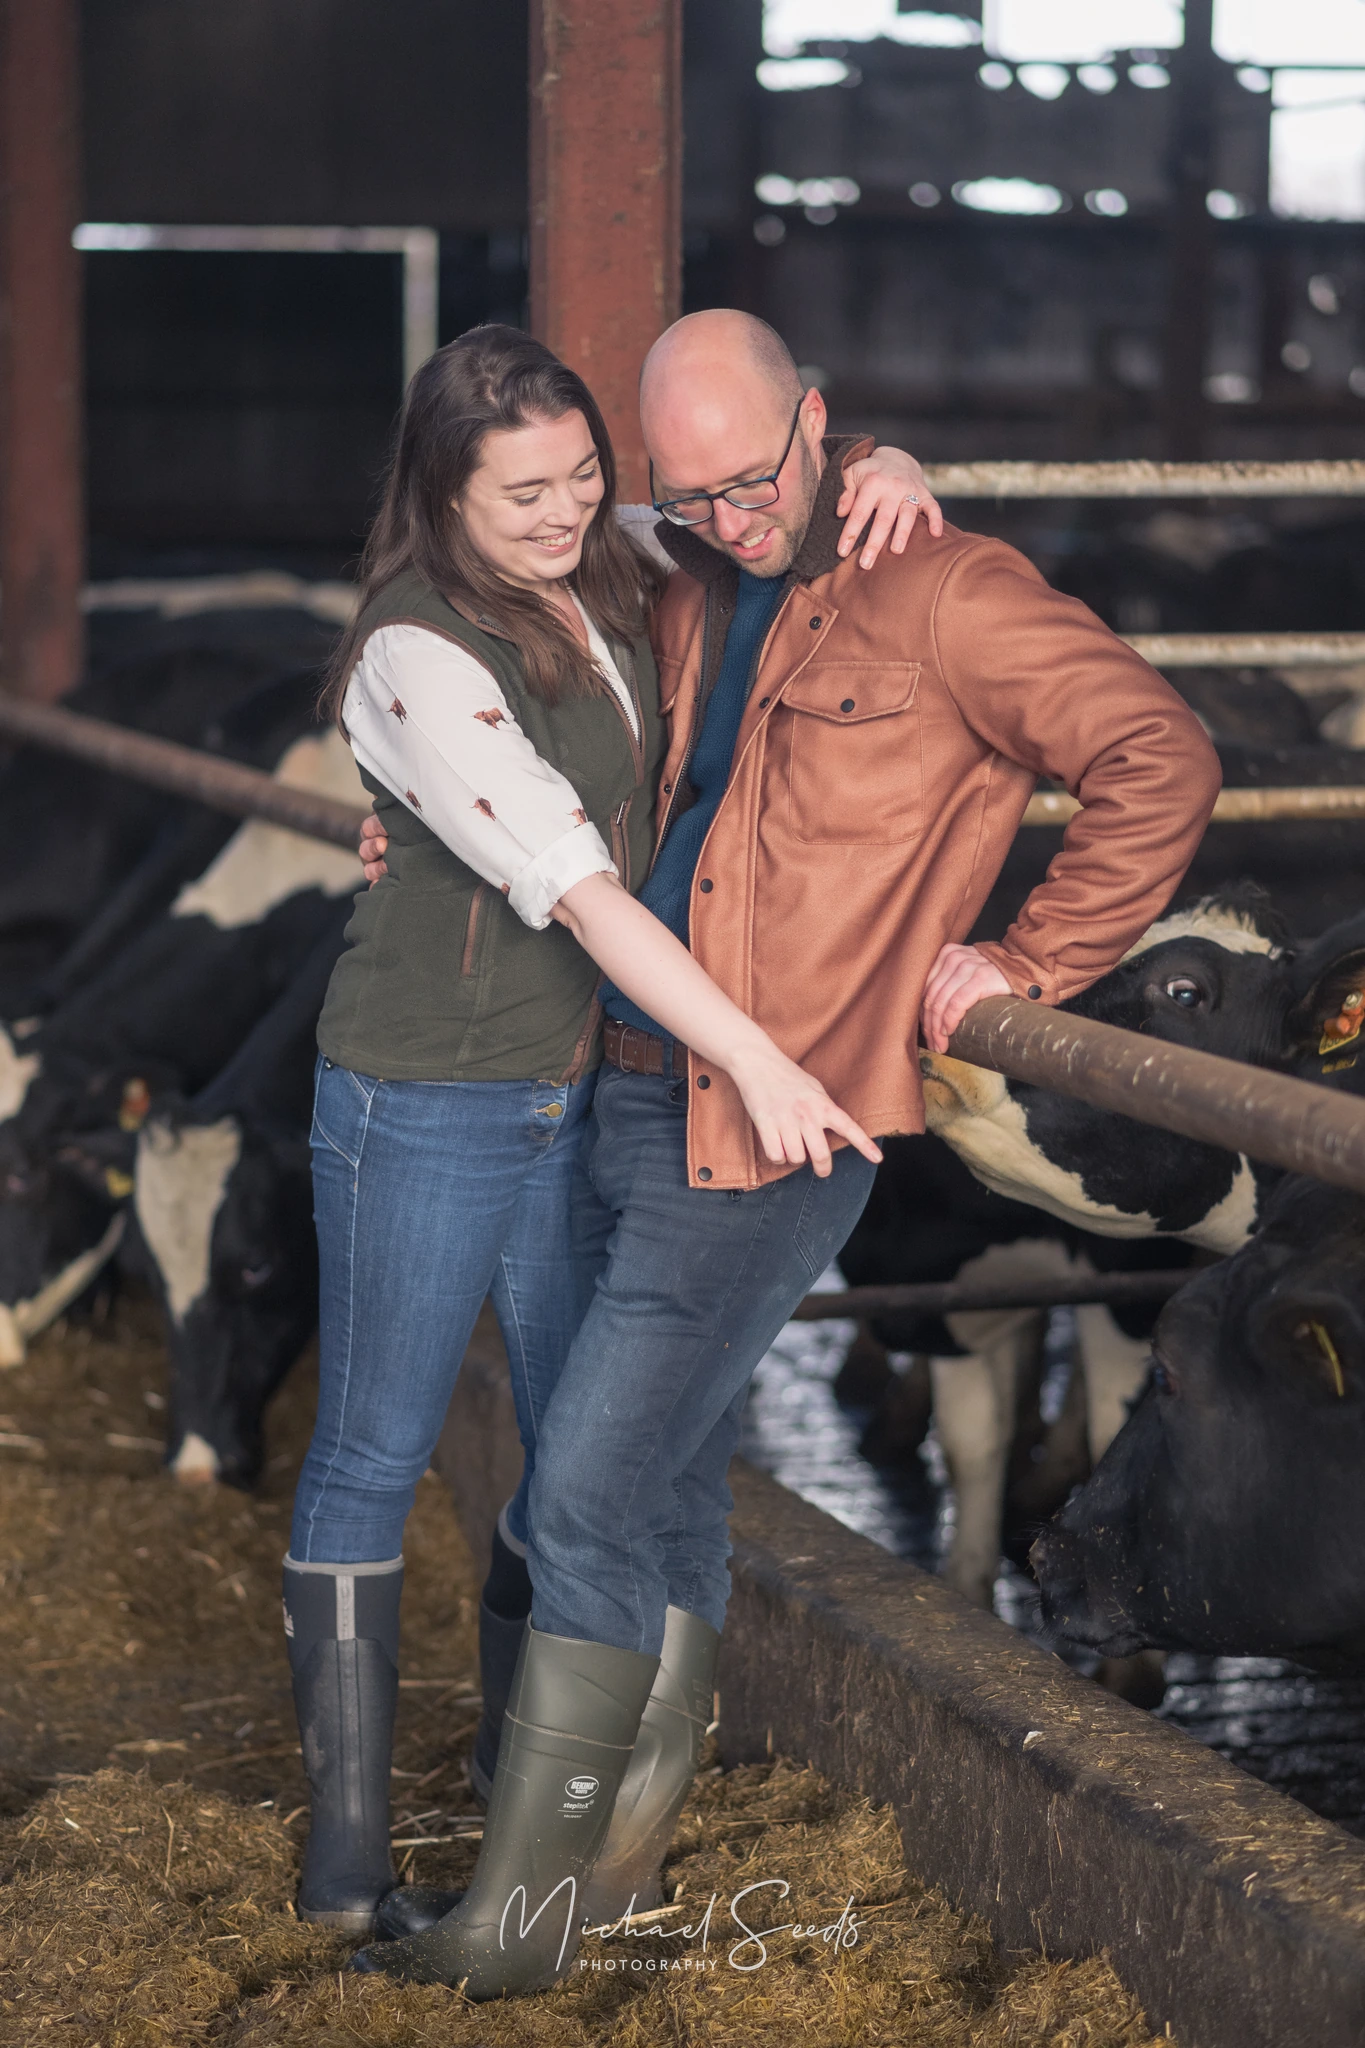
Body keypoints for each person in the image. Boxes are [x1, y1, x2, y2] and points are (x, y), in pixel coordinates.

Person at [354, 310, 1221, 1995]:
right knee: (660, 1484)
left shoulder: (949, 593)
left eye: (754, 481)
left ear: (821, 425)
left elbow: (1157, 753)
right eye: (688, 495)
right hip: (612, 1073)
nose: (728, 518)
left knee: (584, 1491)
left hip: (777, 1114)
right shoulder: (679, 570)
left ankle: (527, 1930)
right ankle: (618, 1860)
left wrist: (1030, 958)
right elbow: (511, 646)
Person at [281, 321, 935, 1941]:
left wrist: (895, 473)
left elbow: (761, 495)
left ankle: (538, 1840)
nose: (568, 510)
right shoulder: (413, 654)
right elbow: (580, 887)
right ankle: (347, 1871)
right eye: (523, 493)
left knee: (579, 1463)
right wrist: (764, 1063)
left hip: (577, 1099)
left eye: (586, 474)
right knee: (379, 1448)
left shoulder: (623, 561)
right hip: (425, 1095)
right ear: (443, 494)